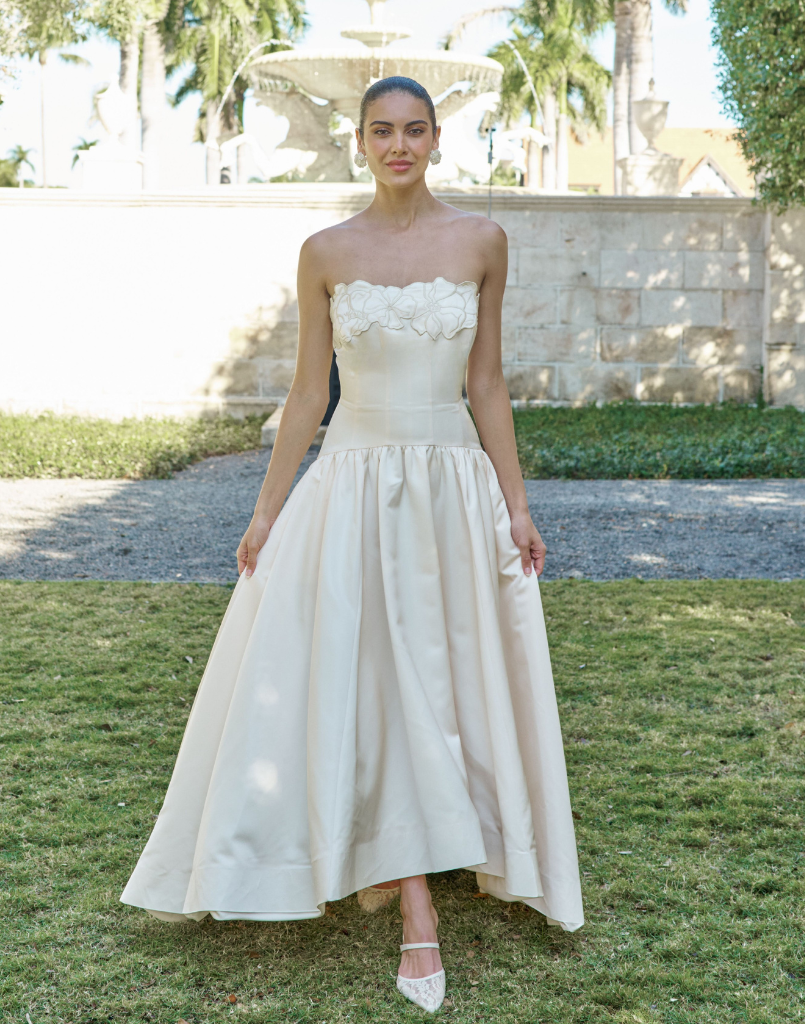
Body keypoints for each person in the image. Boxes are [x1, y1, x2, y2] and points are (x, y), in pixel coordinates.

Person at [121, 76, 583, 1014]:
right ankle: (412, 899)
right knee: (374, 671)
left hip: (451, 488)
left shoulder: (483, 241)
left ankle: (394, 853)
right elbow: (305, 396)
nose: (398, 145)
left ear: (437, 139)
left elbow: (487, 384)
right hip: (353, 484)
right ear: (359, 142)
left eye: (414, 130)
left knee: (436, 673)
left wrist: (516, 504)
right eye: (382, 131)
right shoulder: (325, 251)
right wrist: (263, 512)